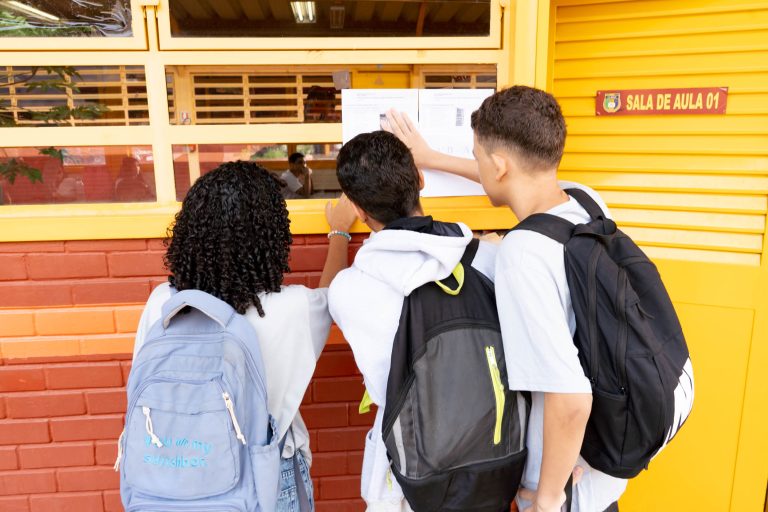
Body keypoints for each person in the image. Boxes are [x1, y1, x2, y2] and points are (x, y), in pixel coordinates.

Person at [385, 86, 625, 512]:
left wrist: (546, 500)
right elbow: (513, 172)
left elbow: (571, 400)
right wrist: (431, 157)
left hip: (563, 483)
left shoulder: (522, 254)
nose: (476, 164)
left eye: (477, 156)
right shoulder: (584, 200)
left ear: (499, 166)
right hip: (601, 461)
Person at [130, 160, 357, 512]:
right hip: (262, 479)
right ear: (271, 236)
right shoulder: (292, 308)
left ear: (192, 231)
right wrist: (339, 232)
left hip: (168, 475)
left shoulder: (163, 303)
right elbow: (333, 295)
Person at [327, 131, 499, 512]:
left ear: (359, 210)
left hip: (406, 483)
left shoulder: (349, 291)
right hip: (488, 466)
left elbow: (322, 300)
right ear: (421, 180)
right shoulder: (487, 261)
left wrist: (338, 232)